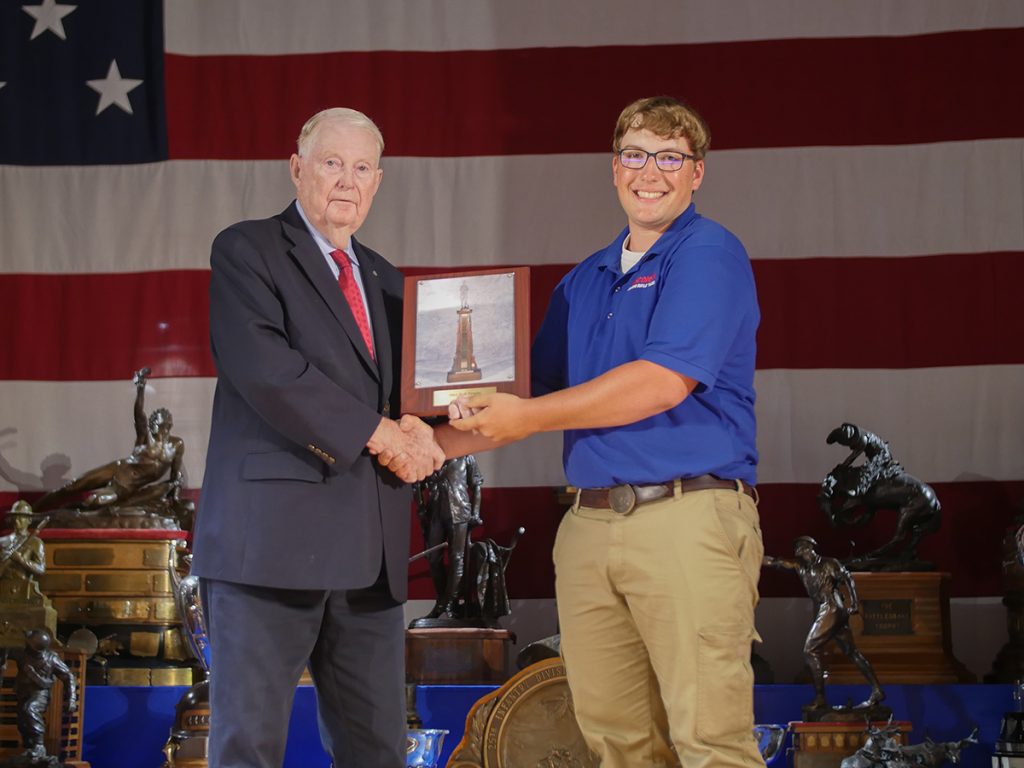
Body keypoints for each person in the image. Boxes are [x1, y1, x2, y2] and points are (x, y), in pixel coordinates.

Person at [389, 96, 763, 767]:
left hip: (688, 516)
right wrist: (429, 444)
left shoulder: (709, 253)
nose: (651, 171)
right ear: (614, 169)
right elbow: (519, 398)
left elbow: (661, 382)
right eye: (636, 155)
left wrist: (525, 416)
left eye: (670, 157)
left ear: (697, 173)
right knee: (615, 743)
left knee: (710, 741)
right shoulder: (582, 282)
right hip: (589, 528)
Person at [190, 107, 443, 768]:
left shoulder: (389, 280)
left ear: (378, 182)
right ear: (297, 168)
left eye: (362, 168)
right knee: (249, 748)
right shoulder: (247, 250)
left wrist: (453, 417)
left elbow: (413, 401)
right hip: (268, 551)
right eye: (332, 163)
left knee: (377, 752)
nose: (346, 181)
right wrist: (383, 432)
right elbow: (270, 374)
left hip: (372, 561)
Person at [32, 367, 185, 514]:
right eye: (154, 421)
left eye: (161, 422)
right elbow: (139, 414)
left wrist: (174, 496)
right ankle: (31, 512)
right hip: (118, 468)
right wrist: (140, 387)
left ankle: (58, 515)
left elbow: (175, 477)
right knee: (71, 487)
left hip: (124, 486)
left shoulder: (177, 445)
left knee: (93, 503)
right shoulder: (145, 436)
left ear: (169, 424)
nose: (156, 424)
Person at [763, 536, 884, 709]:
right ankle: (877, 689)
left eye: (802, 546)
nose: (798, 550)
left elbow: (848, 578)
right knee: (851, 652)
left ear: (811, 548)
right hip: (829, 609)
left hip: (832, 607)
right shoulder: (800, 566)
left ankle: (820, 698)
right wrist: (754, 556)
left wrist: (855, 603)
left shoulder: (828, 563)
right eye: (797, 547)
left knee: (810, 650)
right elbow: (776, 562)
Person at [414, 455, 484, 621]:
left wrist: (475, 513)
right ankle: (444, 602)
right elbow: (416, 484)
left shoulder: (467, 457)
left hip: (459, 512)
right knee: (433, 558)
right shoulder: (428, 455)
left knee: (457, 558)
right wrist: (421, 506)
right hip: (435, 513)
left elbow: (476, 486)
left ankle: (447, 604)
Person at [0, 628, 78, 762]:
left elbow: (68, 676)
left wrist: (71, 699)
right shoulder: (22, 653)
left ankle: (39, 745)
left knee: (30, 709)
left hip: (40, 693)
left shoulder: (51, 659)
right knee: (22, 723)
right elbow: (7, 651)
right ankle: (30, 749)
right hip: (22, 692)